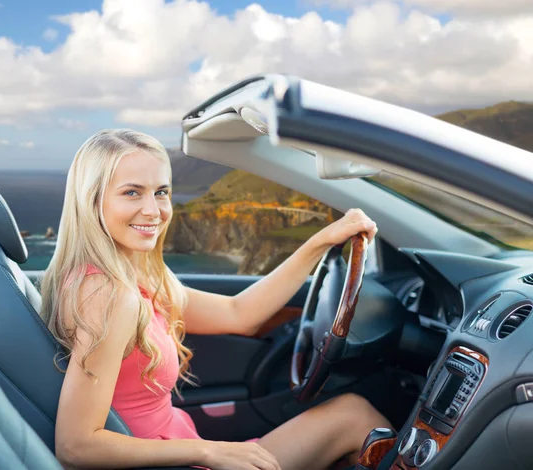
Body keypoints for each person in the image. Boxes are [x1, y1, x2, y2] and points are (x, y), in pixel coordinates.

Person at [40, 129, 391, 470]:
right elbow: (76, 445)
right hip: (177, 462)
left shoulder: (134, 276)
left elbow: (239, 313)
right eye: (132, 193)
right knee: (354, 416)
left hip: (178, 450)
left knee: (351, 416)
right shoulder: (109, 297)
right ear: (92, 200)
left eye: (161, 192)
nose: (153, 210)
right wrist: (208, 452)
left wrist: (322, 241)